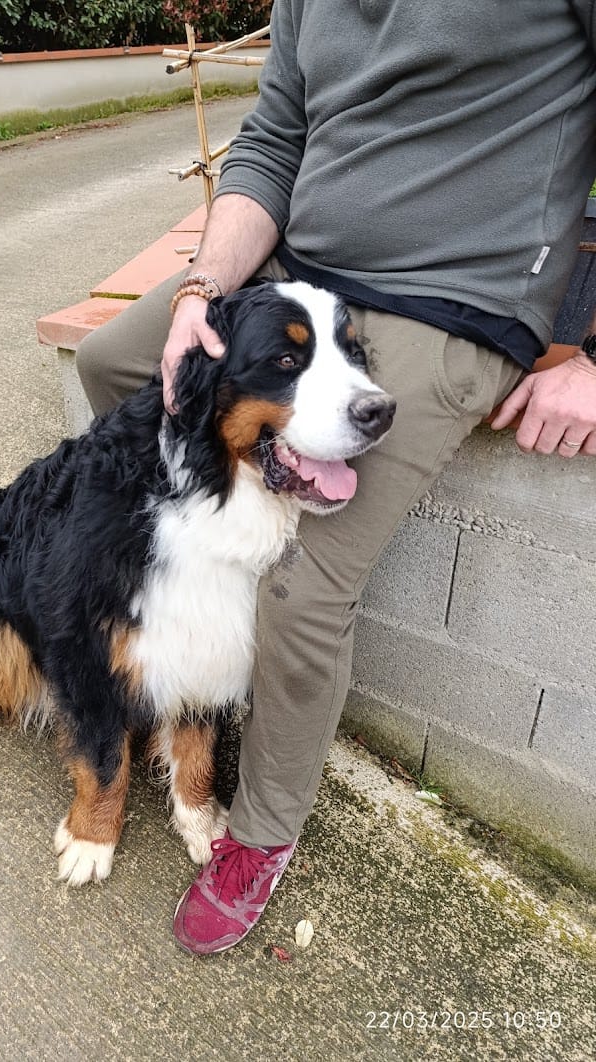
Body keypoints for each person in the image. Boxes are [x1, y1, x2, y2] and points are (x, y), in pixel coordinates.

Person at [76, 0, 596, 955]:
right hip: (303, 267)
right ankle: (161, 610)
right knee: (115, 365)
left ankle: (262, 835)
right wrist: (201, 294)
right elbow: (275, 139)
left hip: (452, 297)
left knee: (303, 577)